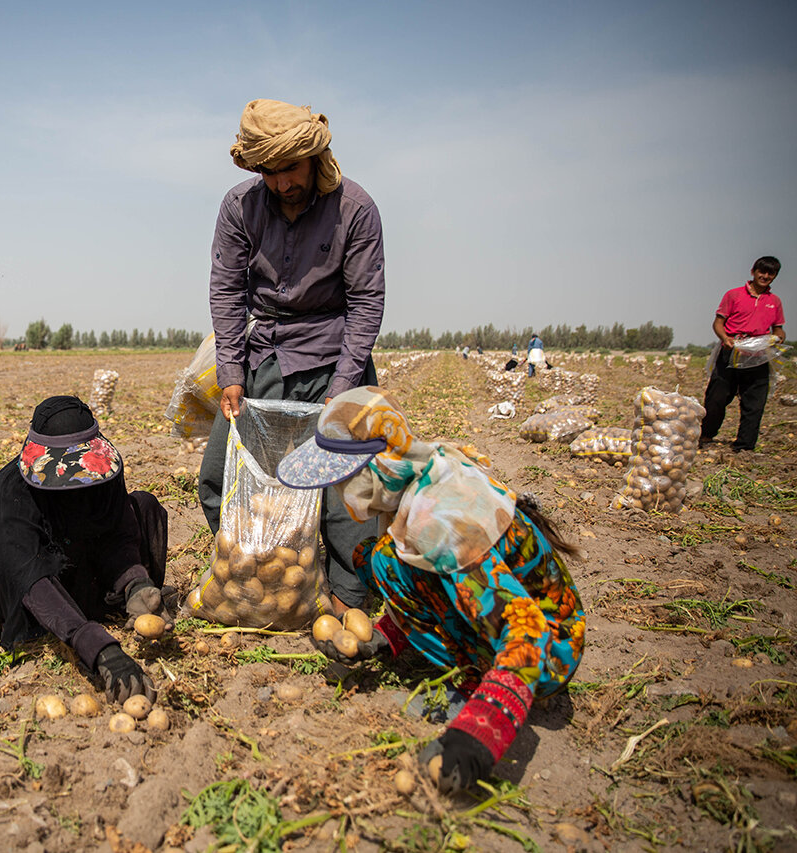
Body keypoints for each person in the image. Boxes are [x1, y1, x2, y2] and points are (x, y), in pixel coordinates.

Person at [277, 387, 585, 793]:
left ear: (379, 466)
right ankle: (460, 661)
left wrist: (479, 734)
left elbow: (527, 635)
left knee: (383, 561)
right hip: (508, 617)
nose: (337, 491)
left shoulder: (442, 522)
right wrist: (385, 638)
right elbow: (435, 586)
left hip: (548, 651)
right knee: (380, 557)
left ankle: (478, 689)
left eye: (345, 478)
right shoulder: (421, 474)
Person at [199, 98, 385, 616]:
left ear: (314, 156)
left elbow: (367, 302)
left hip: (335, 358)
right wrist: (232, 372)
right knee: (221, 475)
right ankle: (260, 579)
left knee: (345, 497)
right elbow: (227, 291)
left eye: (290, 169)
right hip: (267, 360)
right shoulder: (240, 206)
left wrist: (345, 385)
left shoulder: (355, 208)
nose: (281, 183)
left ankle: (349, 602)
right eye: (269, 172)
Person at [0, 396, 172, 703]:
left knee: (143, 505)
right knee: (40, 597)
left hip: (72, 554)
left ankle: (129, 600)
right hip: (16, 582)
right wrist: (99, 648)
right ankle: (74, 620)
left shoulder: (102, 470)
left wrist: (135, 580)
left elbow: (116, 529)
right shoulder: (13, 498)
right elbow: (32, 580)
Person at [700, 256, 785, 452]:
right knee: (716, 398)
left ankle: (745, 446)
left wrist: (777, 338)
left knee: (754, 403)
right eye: (761, 272)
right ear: (753, 272)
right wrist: (726, 338)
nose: (765, 276)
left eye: (770, 273)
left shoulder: (774, 302)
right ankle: (706, 435)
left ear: (774, 276)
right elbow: (718, 323)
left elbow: (778, 329)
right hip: (731, 353)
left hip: (758, 357)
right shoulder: (734, 295)